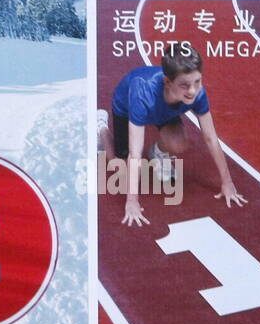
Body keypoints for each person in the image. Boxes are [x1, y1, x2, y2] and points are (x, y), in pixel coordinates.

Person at [101, 46, 246, 228]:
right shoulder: (143, 94)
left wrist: (227, 182)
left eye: (197, 81)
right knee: (119, 165)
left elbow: (211, 138)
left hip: (165, 110)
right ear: (167, 82)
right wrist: (132, 201)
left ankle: (157, 152)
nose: (192, 91)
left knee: (178, 143)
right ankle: (101, 127)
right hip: (127, 107)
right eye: (185, 85)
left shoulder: (197, 93)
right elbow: (135, 154)